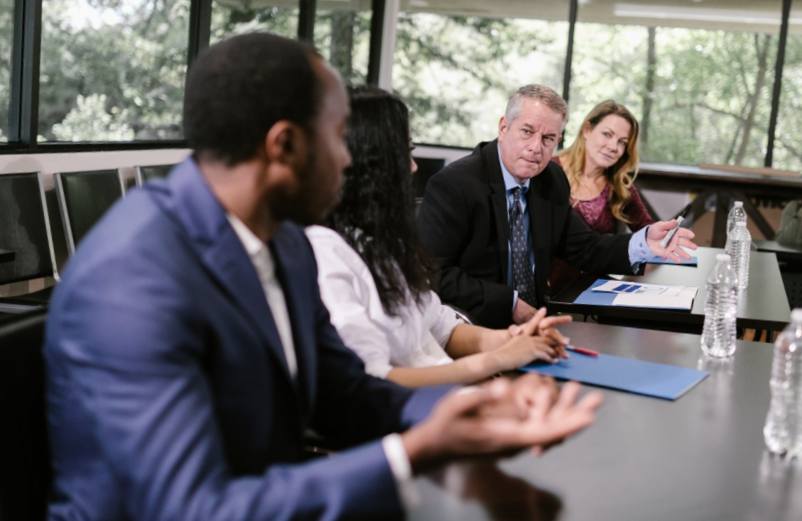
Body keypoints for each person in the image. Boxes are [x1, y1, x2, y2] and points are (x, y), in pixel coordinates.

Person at [44, 34, 603, 520]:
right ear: (284, 145)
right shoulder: (133, 279)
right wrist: (412, 453)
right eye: (338, 137)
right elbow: (190, 509)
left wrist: (466, 413)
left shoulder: (285, 242)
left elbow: (345, 392)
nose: (349, 159)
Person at [307, 86, 570, 388]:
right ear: (367, 163)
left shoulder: (380, 244)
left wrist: (512, 339)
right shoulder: (324, 254)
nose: (414, 167)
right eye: (404, 153)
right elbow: (370, 380)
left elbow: (442, 325)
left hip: (452, 392)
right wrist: (495, 361)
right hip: (418, 412)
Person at [417, 84, 694, 329]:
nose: (536, 147)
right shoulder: (455, 184)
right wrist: (511, 304)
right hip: (474, 325)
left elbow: (584, 247)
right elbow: (434, 274)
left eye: (549, 139)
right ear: (503, 127)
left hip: (541, 323)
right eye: (527, 132)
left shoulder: (550, 179)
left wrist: (642, 243)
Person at [549, 100, 654, 291]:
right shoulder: (549, 171)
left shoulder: (620, 188)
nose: (614, 146)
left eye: (622, 142)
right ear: (587, 130)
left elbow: (649, 231)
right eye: (607, 134)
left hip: (594, 292)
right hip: (547, 291)